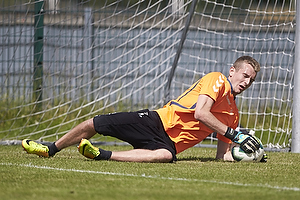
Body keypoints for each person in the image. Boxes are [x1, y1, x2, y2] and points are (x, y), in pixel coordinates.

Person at [22, 56, 261, 163]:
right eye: (245, 75)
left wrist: (251, 155)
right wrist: (234, 134)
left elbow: (222, 156)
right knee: (96, 124)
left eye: (251, 80)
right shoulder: (217, 79)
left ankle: (100, 155)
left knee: (166, 156)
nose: (246, 82)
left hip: (169, 144)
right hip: (157, 121)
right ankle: (51, 148)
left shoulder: (233, 114)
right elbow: (201, 113)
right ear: (232, 70)